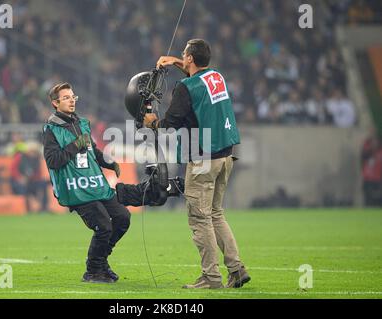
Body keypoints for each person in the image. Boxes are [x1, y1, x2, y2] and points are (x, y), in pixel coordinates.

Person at [143, 39, 250, 289]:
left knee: (199, 219)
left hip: (203, 158)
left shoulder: (185, 86)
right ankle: (236, 269)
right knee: (215, 214)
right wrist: (177, 61)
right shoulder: (217, 77)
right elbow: (197, 80)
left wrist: (152, 122)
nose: (182, 56)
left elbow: (170, 124)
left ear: (191, 58)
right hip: (226, 156)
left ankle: (211, 278)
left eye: (184, 54)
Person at [42, 82, 130, 283]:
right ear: (55, 103)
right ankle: (93, 271)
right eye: (66, 98)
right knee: (103, 228)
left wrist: (108, 162)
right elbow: (53, 161)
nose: (71, 100)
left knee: (122, 218)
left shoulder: (82, 123)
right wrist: (76, 144)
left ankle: (100, 263)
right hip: (76, 190)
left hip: (95, 184)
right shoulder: (51, 130)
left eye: (73, 96)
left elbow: (91, 151)